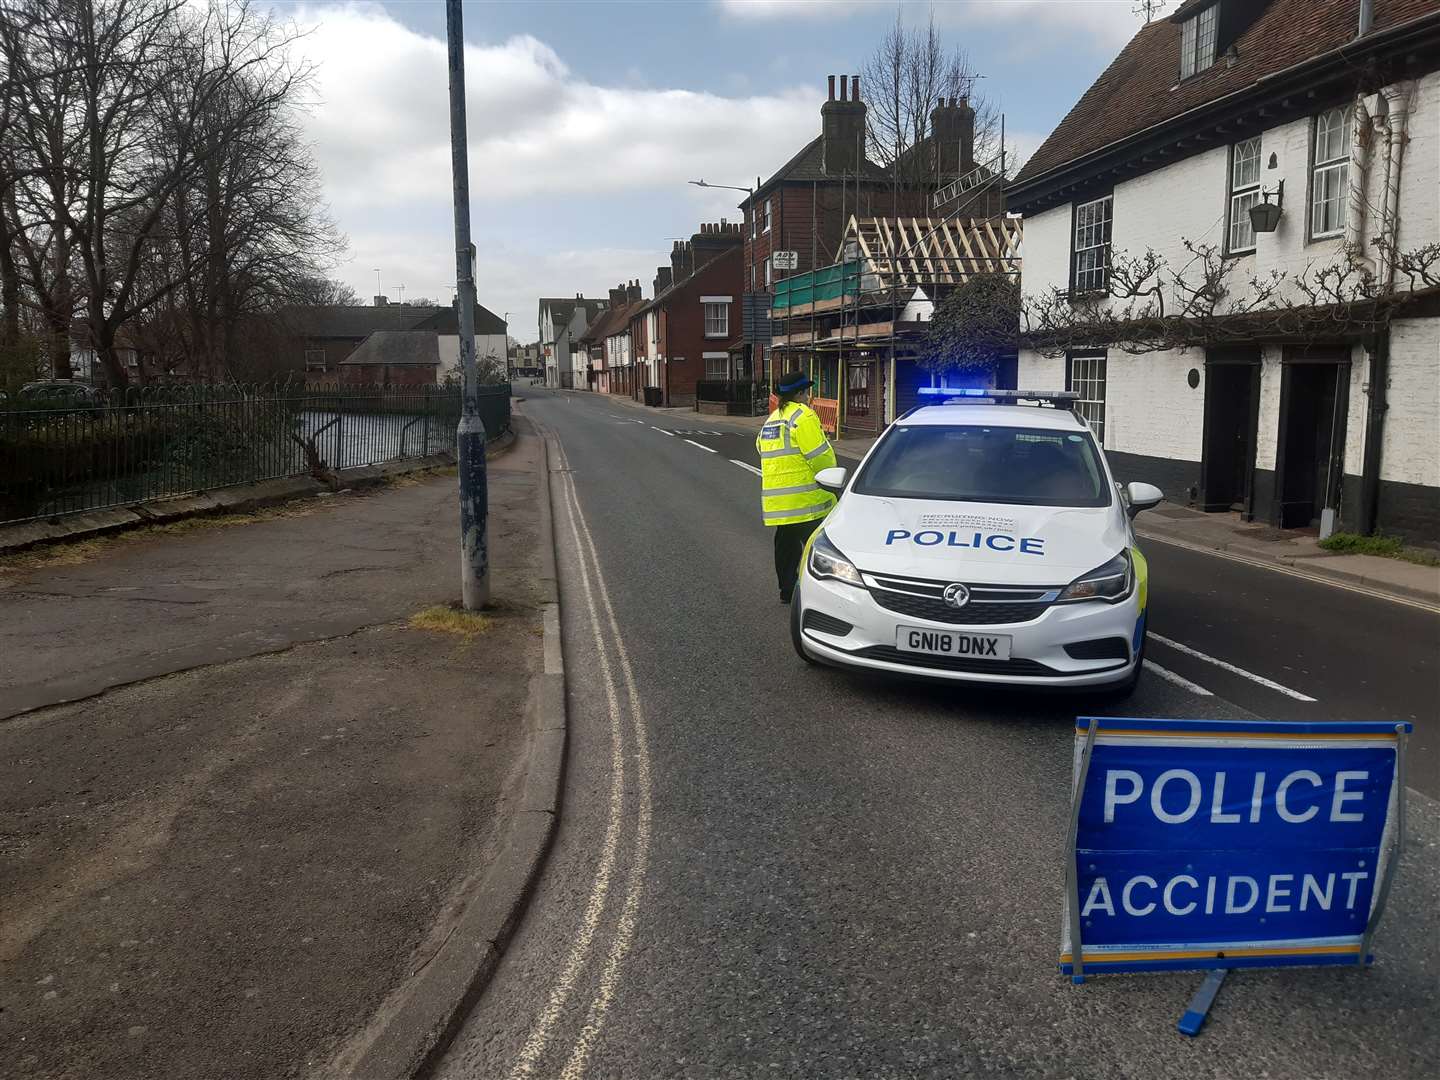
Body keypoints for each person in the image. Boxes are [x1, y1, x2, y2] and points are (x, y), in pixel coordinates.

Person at [757, 370, 837, 603]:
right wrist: (832, 478)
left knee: (786, 547)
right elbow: (820, 456)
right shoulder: (804, 416)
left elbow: (761, 449)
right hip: (808, 500)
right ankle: (826, 594)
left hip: (779, 504)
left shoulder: (772, 419)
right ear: (800, 393)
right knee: (822, 548)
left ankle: (787, 590)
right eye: (806, 391)